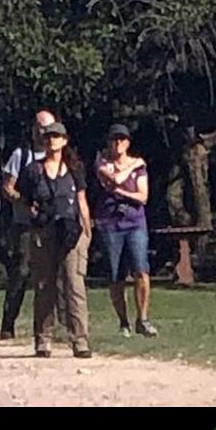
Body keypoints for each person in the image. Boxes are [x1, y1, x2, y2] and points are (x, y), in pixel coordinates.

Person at [17, 122, 92, 358]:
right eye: (48, 136)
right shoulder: (33, 170)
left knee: (74, 285)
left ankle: (80, 340)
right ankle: (43, 338)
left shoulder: (74, 168)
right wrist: (30, 210)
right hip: (44, 232)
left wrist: (87, 231)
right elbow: (21, 197)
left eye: (56, 136)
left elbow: (82, 200)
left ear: (64, 140)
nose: (52, 141)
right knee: (44, 286)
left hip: (71, 232)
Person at [0, 108, 61, 339]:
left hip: (53, 224)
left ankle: (55, 325)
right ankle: (8, 323)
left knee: (55, 274)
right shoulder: (21, 155)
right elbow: (7, 187)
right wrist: (24, 202)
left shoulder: (60, 157)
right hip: (25, 224)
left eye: (47, 128)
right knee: (21, 272)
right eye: (39, 127)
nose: (42, 132)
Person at [94, 123, 157, 338]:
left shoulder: (139, 168)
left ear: (128, 142)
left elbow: (143, 196)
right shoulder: (103, 163)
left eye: (122, 139)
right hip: (110, 224)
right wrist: (134, 165)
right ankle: (123, 321)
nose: (118, 143)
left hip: (135, 222)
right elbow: (115, 179)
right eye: (114, 139)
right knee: (115, 275)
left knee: (141, 270)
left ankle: (143, 319)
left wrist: (121, 193)